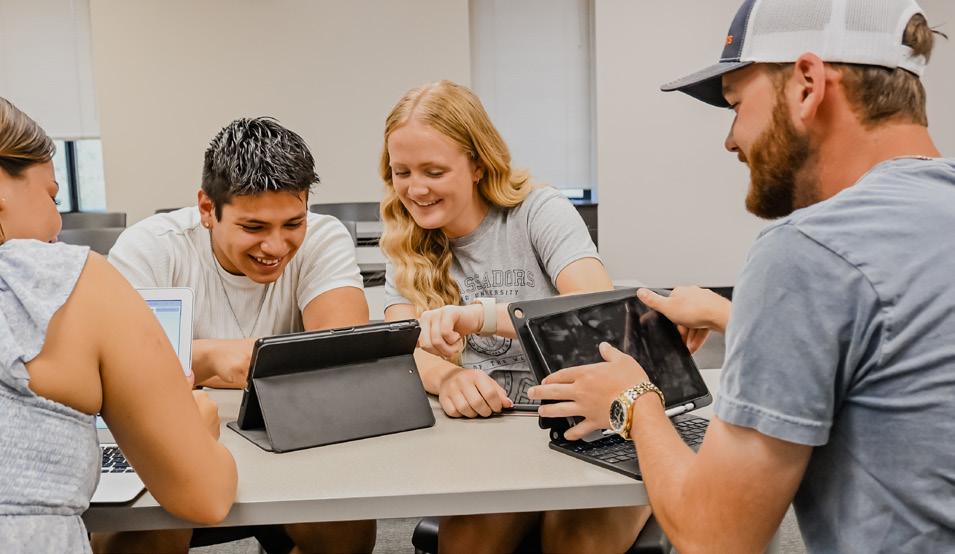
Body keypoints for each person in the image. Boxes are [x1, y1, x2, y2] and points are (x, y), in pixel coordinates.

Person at [529, 1, 955, 552]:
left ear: (807, 84)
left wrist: (633, 399)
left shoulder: (808, 252)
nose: (731, 140)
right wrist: (734, 315)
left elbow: (716, 538)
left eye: (736, 105)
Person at [380, 80, 646, 554]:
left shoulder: (538, 211)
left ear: (478, 164)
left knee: (572, 543)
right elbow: (400, 347)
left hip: (592, 424)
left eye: (434, 171)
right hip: (497, 438)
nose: (415, 189)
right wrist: (447, 377)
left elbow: (598, 315)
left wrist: (479, 317)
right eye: (402, 172)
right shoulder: (405, 239)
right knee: (466, 545)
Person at [101, 117, 375, 553]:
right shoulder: (151, 247)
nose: (276, 247)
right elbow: (118, 371)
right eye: (254, 228)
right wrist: (215, 357)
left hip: (287, 445)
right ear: (207, 209)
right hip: (176, 445)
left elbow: (341, 356)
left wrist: (191, 359)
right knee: (143, 540)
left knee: (347, 534)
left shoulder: (323, 237)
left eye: (293, 224)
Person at [0, 98, 236, 553]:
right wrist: (197, 424)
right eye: (52, 196)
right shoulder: (72, 280)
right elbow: (206, 497)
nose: (57, 223)